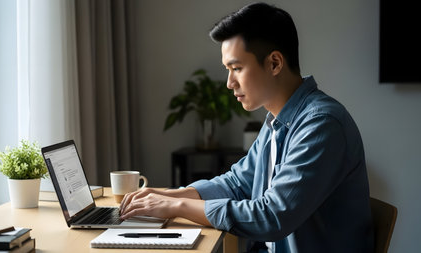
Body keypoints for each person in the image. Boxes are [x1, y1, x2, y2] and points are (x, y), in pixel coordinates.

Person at [120, 2, 374, 252]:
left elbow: (272, 216)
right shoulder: (278, 120)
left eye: (237, 68)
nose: (229, 83)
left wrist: (175, 207)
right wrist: (172, 195)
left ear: (274, 63)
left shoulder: (321, 124)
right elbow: (238, 183)